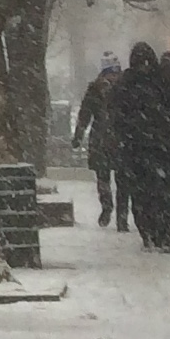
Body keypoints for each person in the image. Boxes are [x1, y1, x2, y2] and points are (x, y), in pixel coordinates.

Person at [111, 41, 170, 252]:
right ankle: (161, 232)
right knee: (161, 193)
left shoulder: (132, 84)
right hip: (159, 149)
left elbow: (117, 116)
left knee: (151, 194)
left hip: (149, 150)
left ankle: (157, 232)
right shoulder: (160, 83)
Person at [73, 53, 125, 230]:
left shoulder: (125, 88)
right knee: (103, 178)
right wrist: (78, 135)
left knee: (123, 180)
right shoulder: (94, 90)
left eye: (116, 72)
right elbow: (85, 114)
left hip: (120, 139)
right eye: (111, 73)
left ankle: (122, 216)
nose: (114, 76)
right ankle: (107, 206)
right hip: (101, 140)